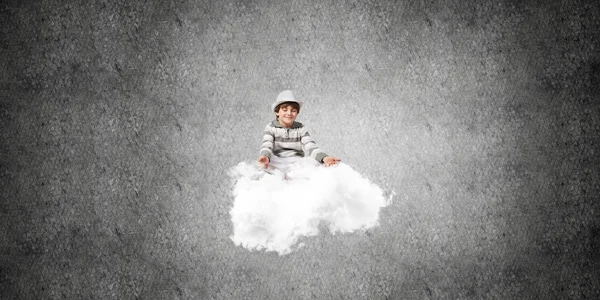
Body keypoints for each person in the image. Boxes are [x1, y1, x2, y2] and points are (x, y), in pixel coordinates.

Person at [257, 90, 341, 176]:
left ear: (297, 113)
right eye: (285, 110)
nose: (289, 113)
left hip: (297, 162)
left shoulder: (301, 128)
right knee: (264, 167)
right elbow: (267, 145)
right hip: (278, 161)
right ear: (277, 112)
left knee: (316, 164)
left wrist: (324, 158)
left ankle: (294, 176)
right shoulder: (270, 127)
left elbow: (310, 146)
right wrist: (265, 156)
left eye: (293, 110)